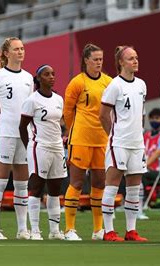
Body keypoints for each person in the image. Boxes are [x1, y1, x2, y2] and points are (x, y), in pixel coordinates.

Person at [0, 37, 33, 240]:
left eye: (22, 48)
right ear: (6, 53)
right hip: (4, 134)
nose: (20, 52)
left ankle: (23, 229)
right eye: (16, 49)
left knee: (22, 185)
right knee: (0, 182)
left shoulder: (29, 78)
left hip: (24, 135)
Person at [62, 44, 112, 241]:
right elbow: (67, 112)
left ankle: (98, 229)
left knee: (100, 182)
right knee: (77, 181)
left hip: (102, 139)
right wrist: (74, 130)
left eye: (101, 59)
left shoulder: (109, 82)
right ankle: (70, 229)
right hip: (81, 138)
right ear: (86, 61)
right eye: (95, 59)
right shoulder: (77, 82)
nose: (99, 63)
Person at [99, 46, 148, 242]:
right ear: (121, 62)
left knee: (134, 188)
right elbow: (102, 115)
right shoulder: (114, 85)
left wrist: (139, 133)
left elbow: (141, 113)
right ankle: (108, 231)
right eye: (130, 58)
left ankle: (131, 230)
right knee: (111, 186)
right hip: (118, 143)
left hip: (137, 144)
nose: (135, 61)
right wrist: (113, 135)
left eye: (136, 57)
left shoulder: (142, 85)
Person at [19, 64, 67, 241]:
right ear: (38, 78)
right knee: (36, 187)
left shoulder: (59, 99)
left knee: (55, 189)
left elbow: (59, 123)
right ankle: (35, 230)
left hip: (56, 147)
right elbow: (22, 126)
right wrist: (29, 147)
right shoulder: (32, 100)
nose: (51, 77)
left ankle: (54, 230)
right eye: (47, 74)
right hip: (40, 146)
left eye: (53, 74)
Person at [140, 108, 160, 219]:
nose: (155, 121)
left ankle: (143, 203)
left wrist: (145, 165)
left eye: (158, 118)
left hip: (158, 170)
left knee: (140, 176)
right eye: (152, 118)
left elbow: (157, 154)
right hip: (146, 167)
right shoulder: (146, 135)